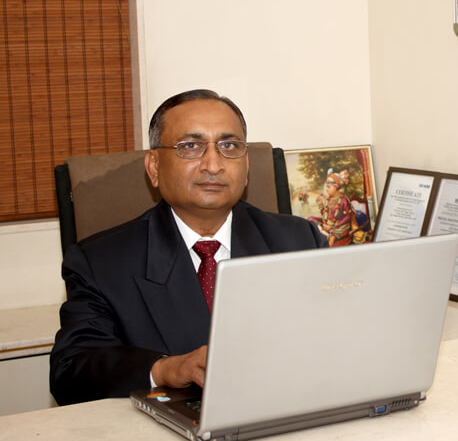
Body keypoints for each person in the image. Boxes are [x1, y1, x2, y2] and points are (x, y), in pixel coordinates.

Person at [50, 89, 327, 405]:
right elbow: (71, 371)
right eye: (191, 146)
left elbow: (334, 342)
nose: (213, 164)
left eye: (229, 146)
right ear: (154, 167)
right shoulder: (100, 262)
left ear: (246, 165)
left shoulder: (300, 241)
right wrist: (163, 369)